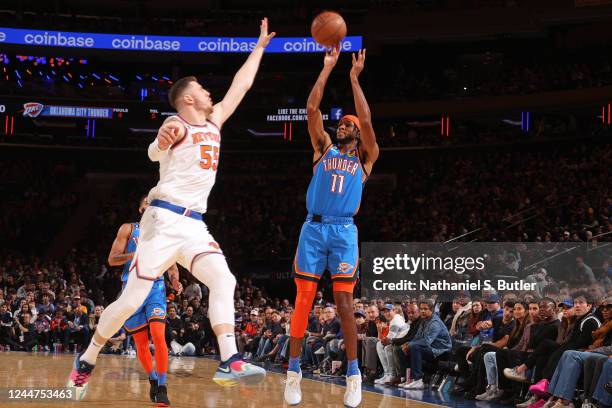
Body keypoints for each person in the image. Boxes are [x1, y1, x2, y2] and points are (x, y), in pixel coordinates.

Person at [67, 18, 275, 400]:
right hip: (162, 222)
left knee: (224, 281)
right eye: (202, 89)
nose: (210, 92)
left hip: (194, 225)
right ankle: (88, 357)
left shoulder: (214, 121)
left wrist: (259, 48)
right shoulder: (174, 123)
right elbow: (155, 150)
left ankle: (230, 360)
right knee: (130, 301)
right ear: (188, 99)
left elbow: (240, 86)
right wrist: (159, 144)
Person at [284, 47, 379, 408]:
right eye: (341, 123)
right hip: (313, 229)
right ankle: (294, 372)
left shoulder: (366, 158)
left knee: (343, 301)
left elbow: (368, 123)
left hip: (343, 232)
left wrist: (354, 78)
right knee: (303, 301)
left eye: (348, 124)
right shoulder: (323, 147)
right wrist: (327, 69)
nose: (343, 126)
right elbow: (312, 110)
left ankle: (353, 375)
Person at [104, 196, 181, 405]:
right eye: (148, 202)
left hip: (155, 288)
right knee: (141, 343)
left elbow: (173, 267)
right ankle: (153, 380)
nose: (151, 205)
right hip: (132, 289)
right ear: (141, 209)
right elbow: (112, 259)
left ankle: (163, 386)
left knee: (158, 335)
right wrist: (135, 254)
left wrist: (175, 281)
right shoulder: (128, 229)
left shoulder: (165, 234)